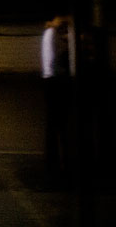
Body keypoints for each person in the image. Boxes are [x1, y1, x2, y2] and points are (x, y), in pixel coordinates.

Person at [41, 14, 72, 182]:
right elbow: (59, 58)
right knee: (58, 124)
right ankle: (57, 164)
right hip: (55, 82)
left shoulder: (49, 33)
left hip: (50, 80)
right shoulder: (53, 34)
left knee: (53, 125)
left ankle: (52, 162)